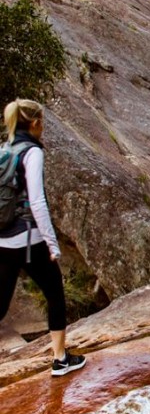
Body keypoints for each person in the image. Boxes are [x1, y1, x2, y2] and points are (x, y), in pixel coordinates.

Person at [0, 99, 86, 376]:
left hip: (3, 239)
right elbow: (37, 201)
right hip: (29, 239)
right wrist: (52, 242)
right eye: (43, 122)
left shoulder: (4, 150)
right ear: (35, 123)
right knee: (54, 293)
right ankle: (60, 359)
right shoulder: (32, 151)